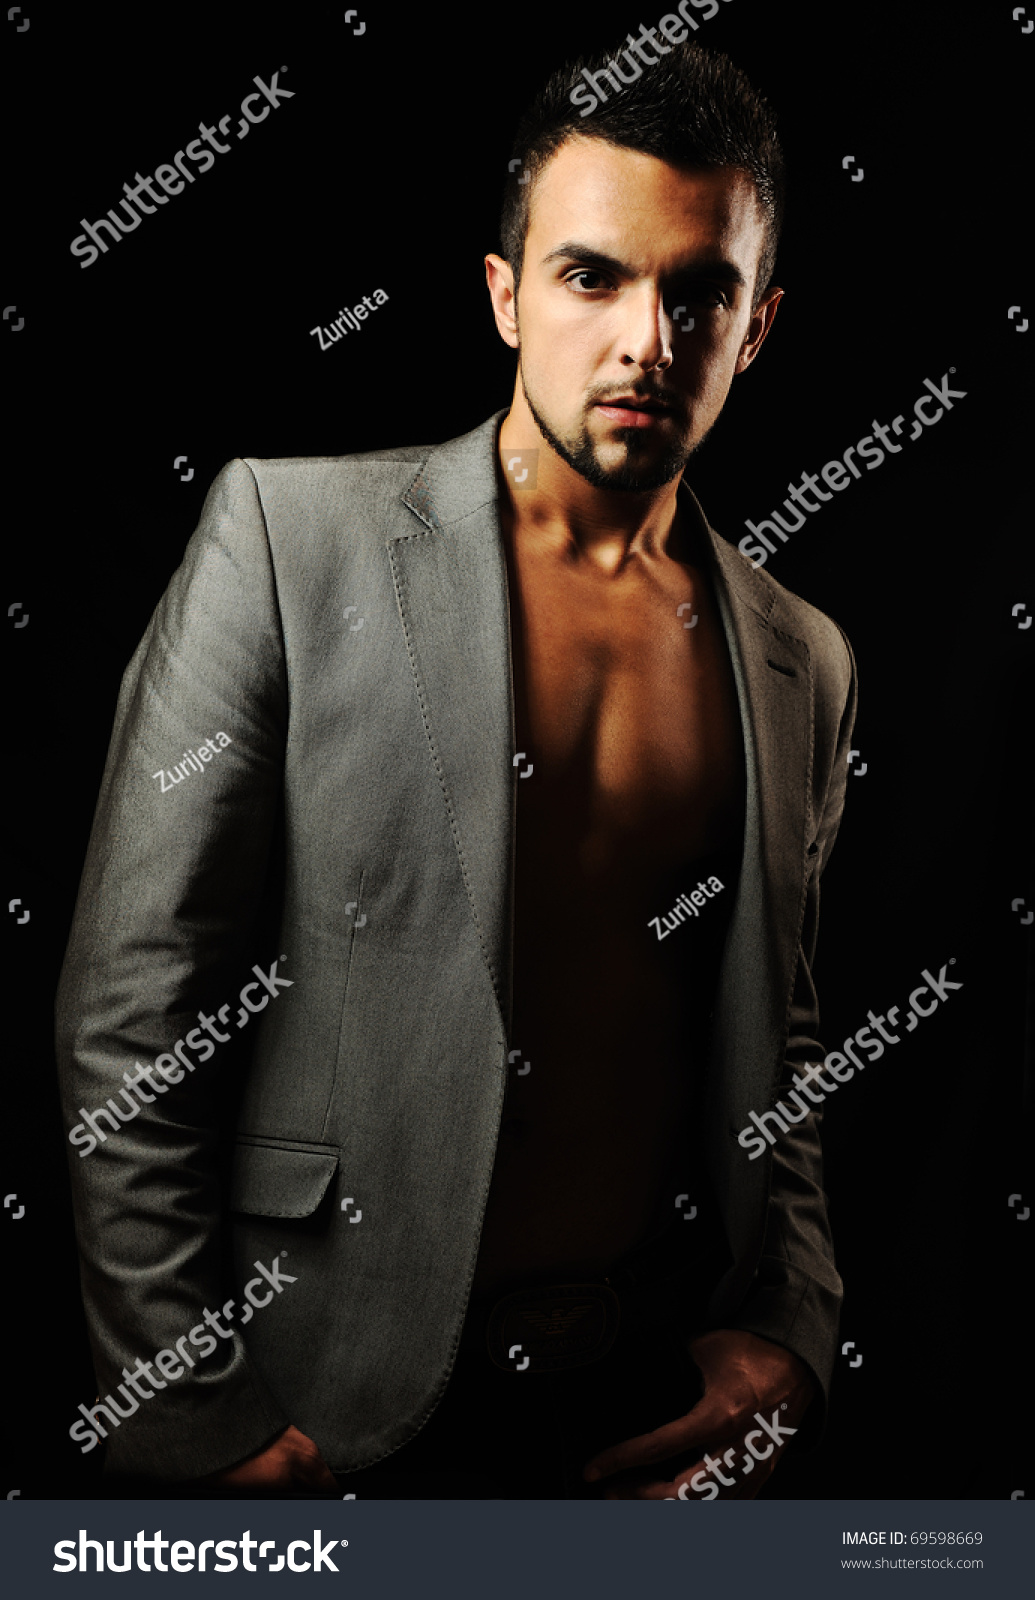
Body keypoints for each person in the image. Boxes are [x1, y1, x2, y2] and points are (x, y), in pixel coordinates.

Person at [56, 37, 856, 1500]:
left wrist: (790, 1326)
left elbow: (781, 1028)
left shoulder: (805, 660)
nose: (646, 341)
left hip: (636, 1398)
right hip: (317, 1389)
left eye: (702, 292)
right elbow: (133, 1008)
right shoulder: (290, 545)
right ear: (504, 295)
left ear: (759, 328)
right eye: (592, 276)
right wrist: (193, 1402)